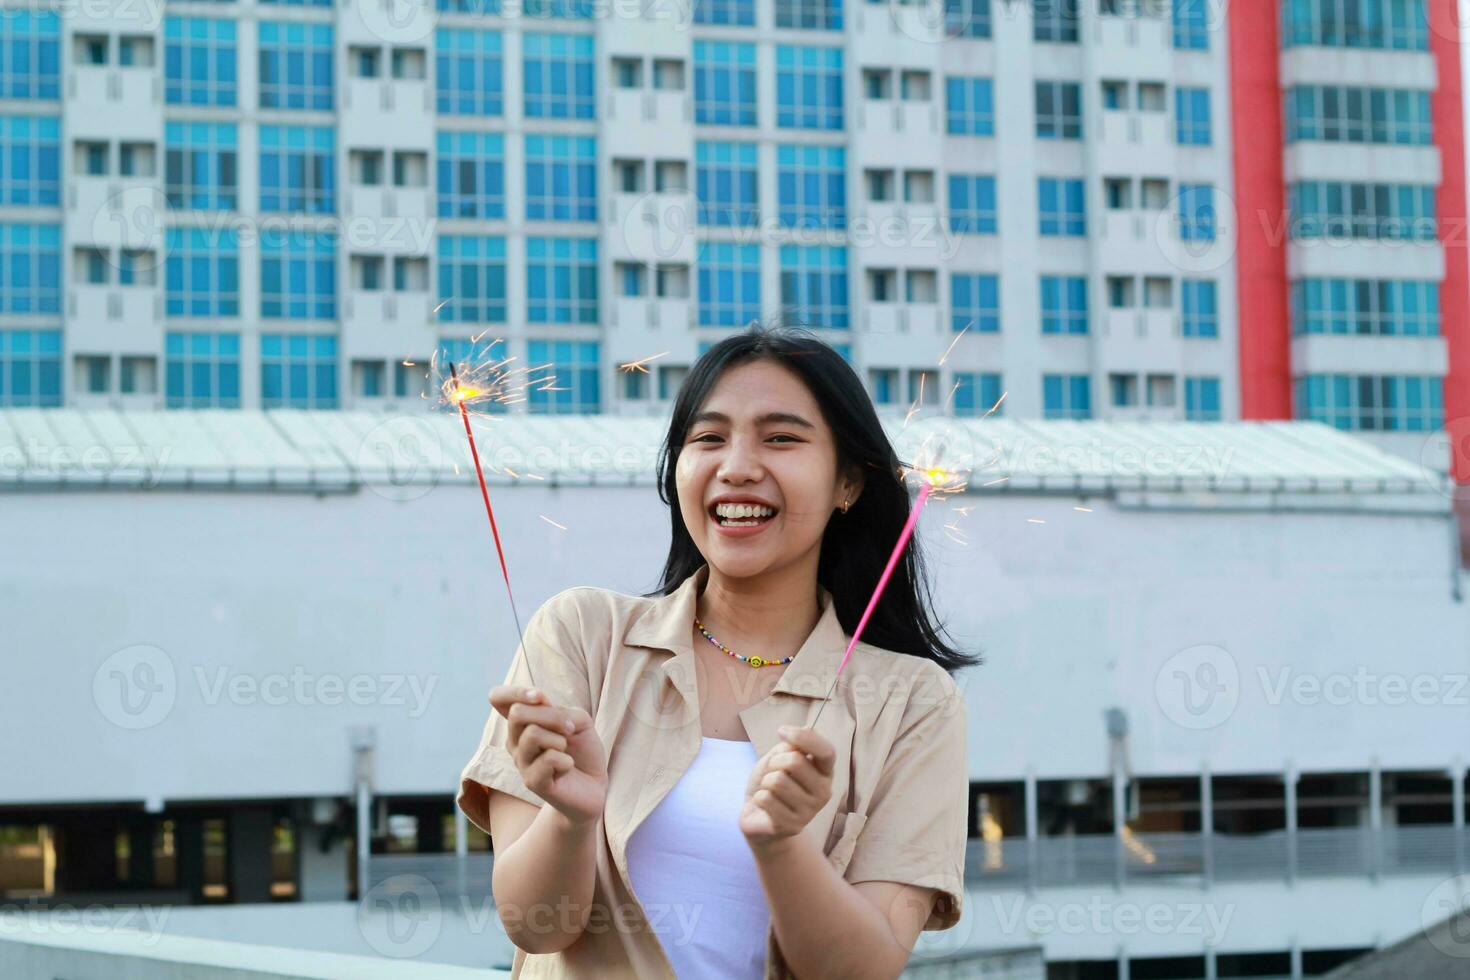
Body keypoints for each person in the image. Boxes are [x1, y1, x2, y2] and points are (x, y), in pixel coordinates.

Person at [457, 325, 980, 979]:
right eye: (707, 438)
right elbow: (538, 926)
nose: (735, 465)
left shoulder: (913, 702)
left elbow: (861, 970)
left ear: (848, 481)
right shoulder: (581, 634)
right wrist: (570, 816)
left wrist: (783, 846)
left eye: (781, 438)